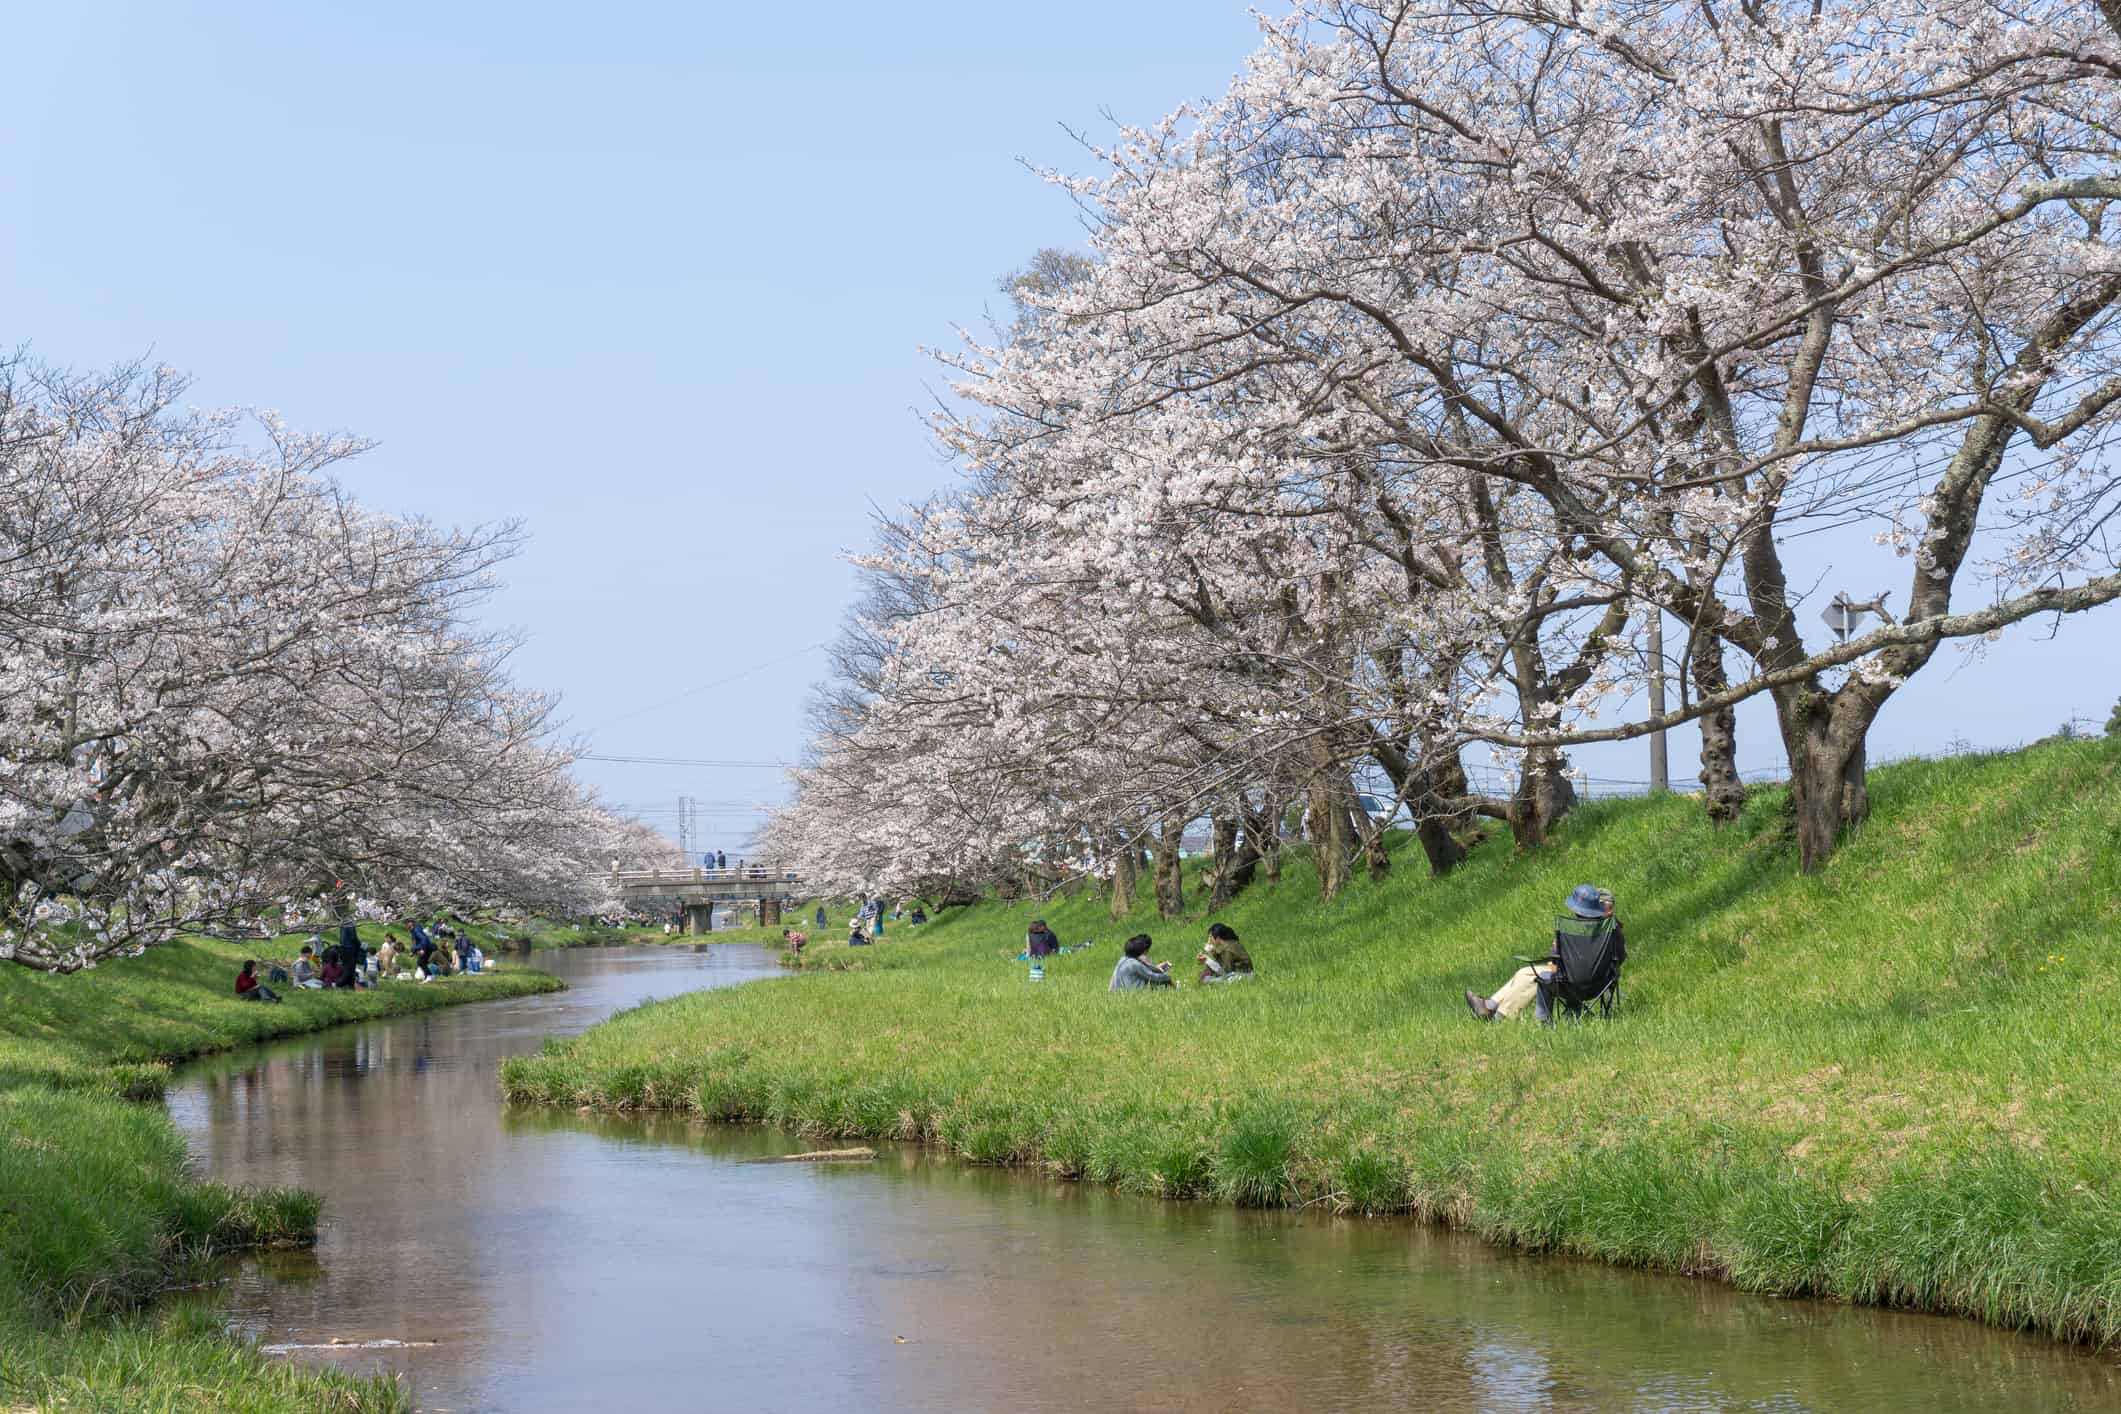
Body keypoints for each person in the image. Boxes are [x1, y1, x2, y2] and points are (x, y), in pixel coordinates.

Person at [1466, 884, 1623, 1022]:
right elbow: (1620, 958)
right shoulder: (1613, 930)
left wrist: (1555, 964)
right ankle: (1490, 1006)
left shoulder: (1569, 930)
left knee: (1534, 975)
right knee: (1524, 973)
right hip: (1599, 984)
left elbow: (1554, 959)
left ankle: (1496, 1016)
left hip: (1567, 981)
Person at [1108, 934, 1177, 991]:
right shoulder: (1134, 964)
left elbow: (1146, 969)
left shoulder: (1124, 959)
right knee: (1163, 979)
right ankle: (1176, 989)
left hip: (1116, 990)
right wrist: (1167, 977)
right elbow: (1152, 977)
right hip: (1129, 991)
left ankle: (1174, 988)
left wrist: (1156, 968)